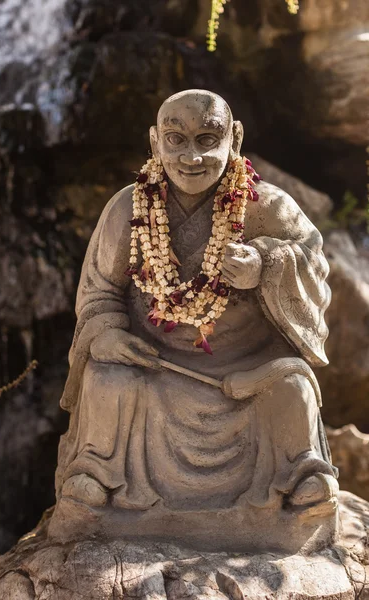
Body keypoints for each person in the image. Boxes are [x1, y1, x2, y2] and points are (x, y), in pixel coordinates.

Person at [54, 89, 338, 521]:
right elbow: (99, 291)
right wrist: (108, 334)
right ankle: (98, 471)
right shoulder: (127, 209)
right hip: (157, 367)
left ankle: (300, 473)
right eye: (176, 140)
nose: (192, 156)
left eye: (208, 139)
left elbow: (314, 264)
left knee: (290, 389)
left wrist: (267, 264)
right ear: (154, 143)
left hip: (247, 370)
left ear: (235, 140)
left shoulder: (267, 207)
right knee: (107, 379)